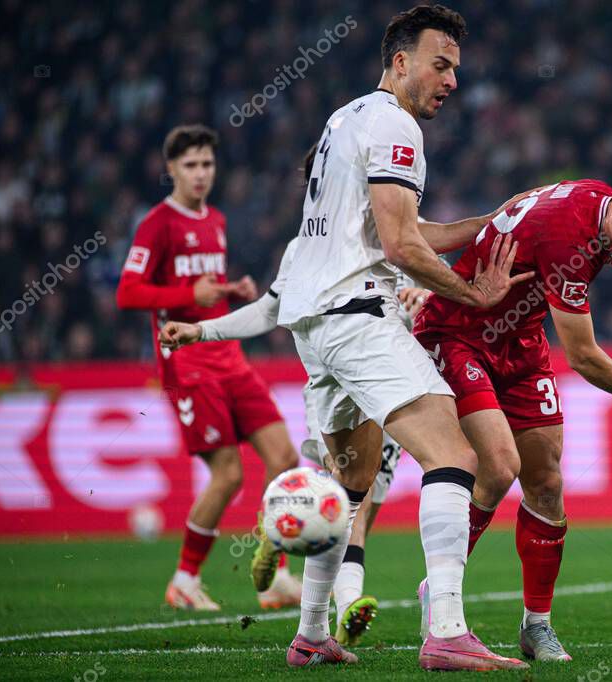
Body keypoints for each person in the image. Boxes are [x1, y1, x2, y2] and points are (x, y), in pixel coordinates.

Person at [274, 5, 532, 669]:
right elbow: (399, 246)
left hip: (316, 325)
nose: (450, 80)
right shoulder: (397, 125)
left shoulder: (346, 117)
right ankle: (445, 631)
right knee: (454, 457)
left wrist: (489, 225)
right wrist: (472, 293)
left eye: (455, 69)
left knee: (350, 484)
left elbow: (398, 231)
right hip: (358, 316)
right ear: (400, 62)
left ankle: (309, 634)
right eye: (439, 65)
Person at [159, 145, 442, 648]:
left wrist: (429, 293)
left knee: (363, 499)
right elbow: (270, 312)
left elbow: (437, 278)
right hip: (345, 382)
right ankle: (337, 599)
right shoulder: (306, 249)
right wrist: (201, 331)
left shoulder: (399, 230)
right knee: (346, 494)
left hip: (393, 377)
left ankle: (304, 561)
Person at [412, 167, 612, 661]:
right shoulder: (570, 233)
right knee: (497, 467)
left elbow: (523, 200)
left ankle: (536, 627)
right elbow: (582, 356)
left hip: (520, 339)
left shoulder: (601, 207)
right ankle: (442, 595)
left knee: (547, 484)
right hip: (460, 334)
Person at [116, 124, 302, 612]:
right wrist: (186, 297)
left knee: (284, 457)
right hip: (188, 362)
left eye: (207, 165)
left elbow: (205, 289)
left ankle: (274, 574)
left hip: (229, 357)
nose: (201, 174)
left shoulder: (215, 220)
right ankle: (184, 579)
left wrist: (229, 294)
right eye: (191, 165)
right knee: (228, 475)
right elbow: (128, 292)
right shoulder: (157, 224)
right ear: (172, 169)